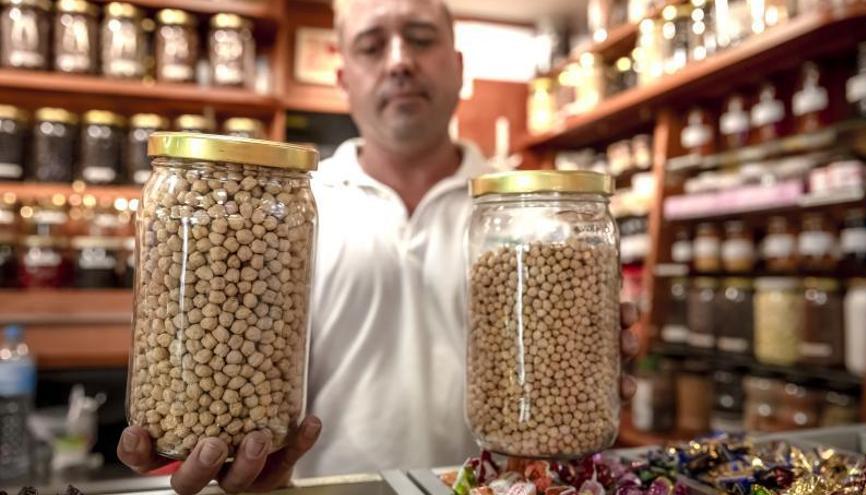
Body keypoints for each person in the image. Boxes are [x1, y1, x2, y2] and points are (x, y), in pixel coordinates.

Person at [117, 0, 640, 492]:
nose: (399, 62)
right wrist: (234, 456)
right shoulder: (286, 210)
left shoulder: (535, 218)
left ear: (459, 67)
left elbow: (563, 370)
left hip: (490, 486)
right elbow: (229, 363)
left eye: (420, 39)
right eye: (371, 45)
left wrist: (586, 371)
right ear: (342, 76)